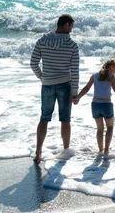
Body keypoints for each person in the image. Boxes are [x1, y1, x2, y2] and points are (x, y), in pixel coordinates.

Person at [30, 14, 79, 163]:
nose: (72, 29)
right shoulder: (72, 45)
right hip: (65, 85)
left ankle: (38, 152)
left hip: (47, 84)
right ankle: (65, 151)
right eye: (71, 26)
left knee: (44, 118)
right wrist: (75, 93)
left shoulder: (42, 41)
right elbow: (75, 71)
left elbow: (33, 63)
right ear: (65, 25)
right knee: (65, 120)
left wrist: (42, 77)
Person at [73, 59, 115, 155]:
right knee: (110, 127)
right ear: (110, 67)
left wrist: (78, 97)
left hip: (95, 104)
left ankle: (100, 150)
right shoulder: (111, 76)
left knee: (100, 129)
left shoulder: (94, 76)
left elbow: (86, 88)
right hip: (106, 104)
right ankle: (106, 150)